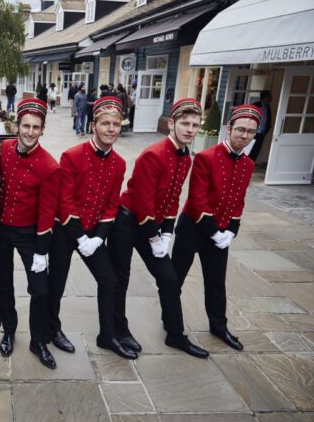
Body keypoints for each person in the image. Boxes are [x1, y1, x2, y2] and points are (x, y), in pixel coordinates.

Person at [109, 98, 209, 359]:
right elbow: (142, 203)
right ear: (172, 123)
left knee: (169, 278)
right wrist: (155, 237)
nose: (190, 129)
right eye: (185, 123)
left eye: (195, 125)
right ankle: (119, 330)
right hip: (128, 221)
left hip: (152, 225)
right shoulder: (153, 154)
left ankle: (175, 335)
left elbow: (174, 198)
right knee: (121, 279)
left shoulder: (186, 159)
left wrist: (167, 231)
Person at [48, 97, 137, 360]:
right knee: (57, 282)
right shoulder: (72, 156)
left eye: (116, 124)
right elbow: (64, 202)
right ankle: (53, 329)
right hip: (67, 231)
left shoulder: (119, 163)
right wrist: (81, 237)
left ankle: (107, 335)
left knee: (109, 279)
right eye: (105, 123)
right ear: (94, 125)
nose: (111, 129)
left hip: (93, 234)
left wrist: (98, 237)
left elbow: (112, 203)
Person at [172, 105, 261, 351]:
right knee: (175, 278)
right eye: (240, 129)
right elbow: (198, 199)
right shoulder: (205, 157)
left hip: (220, 232)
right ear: (229, 129)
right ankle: (171, 324)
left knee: (216, 282)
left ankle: (219, 326)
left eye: (250, 132)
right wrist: (215, 231)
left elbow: (239, 200)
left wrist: (232, 229)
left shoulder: (248, 165)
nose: (244, 135)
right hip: (193, 228)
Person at [0, 98, 60, 369]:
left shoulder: (50, 166)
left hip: (29, 233)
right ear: (17, 125)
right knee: (2, 283)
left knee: (40, 288)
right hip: (0, 229)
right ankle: (8, 329)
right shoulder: (6, 148)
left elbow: (47, 211)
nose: (30, 132)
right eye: (26, 126)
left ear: (42, 129)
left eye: (36, 127)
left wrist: (42, 251)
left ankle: (39, 340)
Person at [249, 90, 272, 162]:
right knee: (249, 149)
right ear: (265, 97)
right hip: (253, 132)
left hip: (261, 133)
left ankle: (251, 164)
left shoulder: (268, 108)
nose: (271, 98)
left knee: (256, 150)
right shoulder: (255, 105)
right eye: (269, 97)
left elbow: (268, 120)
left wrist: (266, 131)